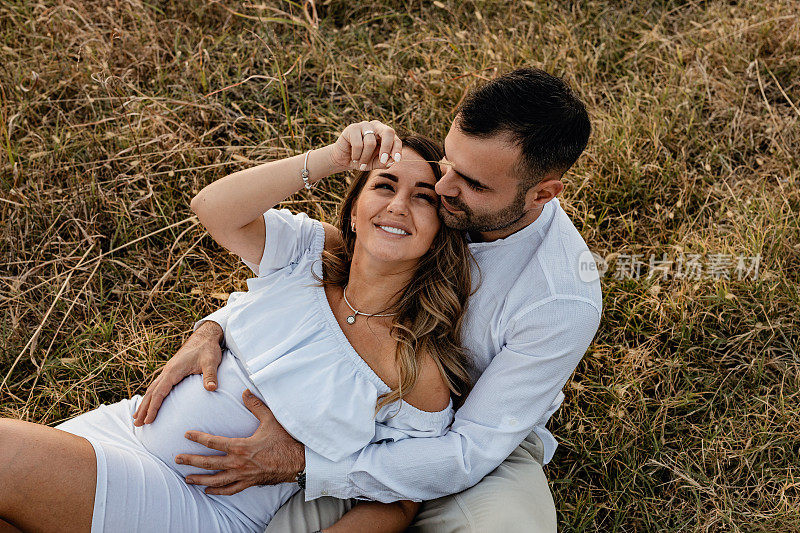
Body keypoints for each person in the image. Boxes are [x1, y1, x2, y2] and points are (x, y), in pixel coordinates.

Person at [138, 67, 603, 532]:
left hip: (463, 441)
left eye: (473, 184)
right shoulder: (431, 193)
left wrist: (306, 463)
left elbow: (469, 451)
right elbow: (325, 273)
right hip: (353, 411)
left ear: (542, 194)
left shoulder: (559, 299)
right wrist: (215, 327)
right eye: (448, 164)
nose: (441, 189)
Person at [0, 128, 477, 532]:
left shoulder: (415, 367)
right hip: (123, 431)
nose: (397, 205)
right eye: (384, 186)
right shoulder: (309, 255)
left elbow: (403, 496)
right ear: (353, 211)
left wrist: (302, 466)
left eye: (423, 198)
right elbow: (214, 207)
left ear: (440, 230)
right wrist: (333, 157)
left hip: (199, 504)